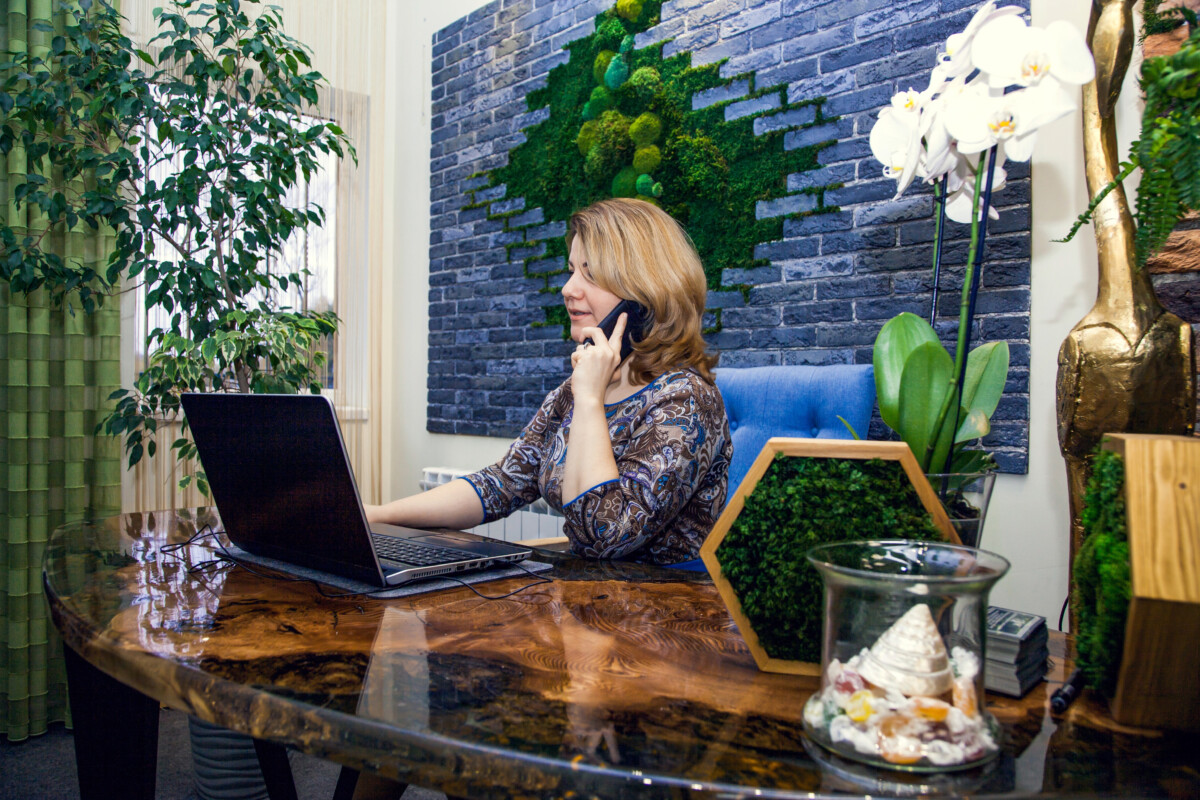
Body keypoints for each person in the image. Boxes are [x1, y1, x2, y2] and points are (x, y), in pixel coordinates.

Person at [367, 197, 731, 565]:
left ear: (644, 294)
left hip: (666, 610)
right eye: (572, 269)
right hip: (585, 600)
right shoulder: (575, 390)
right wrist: (375, 515)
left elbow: (604, 538)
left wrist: (589, 399)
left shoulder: (687, 400)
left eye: (590, 273)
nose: (568, 289)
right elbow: (502, 484)